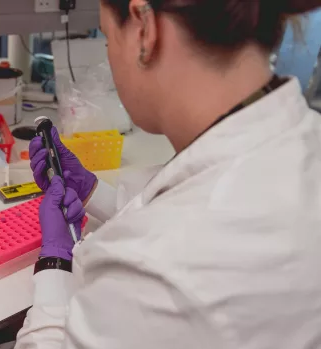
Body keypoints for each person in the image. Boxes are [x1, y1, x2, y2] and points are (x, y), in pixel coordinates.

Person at [16, 0, 321, 348]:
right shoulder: (300, 138)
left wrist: (55, 264)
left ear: (144, 28)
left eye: (107, 39)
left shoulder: (159, 271)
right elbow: (189, 199)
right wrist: (92, 192)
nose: (109, 57)